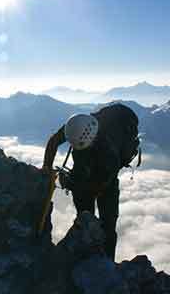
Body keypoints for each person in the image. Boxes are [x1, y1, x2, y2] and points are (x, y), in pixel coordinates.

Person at [42, 103, 140, 261]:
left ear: (89, 140)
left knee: (107, 226)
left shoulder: (109, 154)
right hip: (84, 170)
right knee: (84, 218)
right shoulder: (77, 126)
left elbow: (97, 188)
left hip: (106, 183)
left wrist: (69, 182)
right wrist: (46, 167)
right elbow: (54, 141)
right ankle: (84, 253)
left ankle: (107, 263)